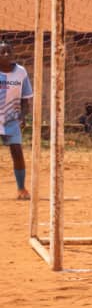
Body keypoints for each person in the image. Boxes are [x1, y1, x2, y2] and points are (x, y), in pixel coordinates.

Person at [0, 41, 33, 200]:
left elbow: (25, 98)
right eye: (2, 52)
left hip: (11, 120)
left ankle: (21, 188)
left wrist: (23, 116)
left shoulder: (21, 72)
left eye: (9, 51)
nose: (6, 54)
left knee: (17, 152)